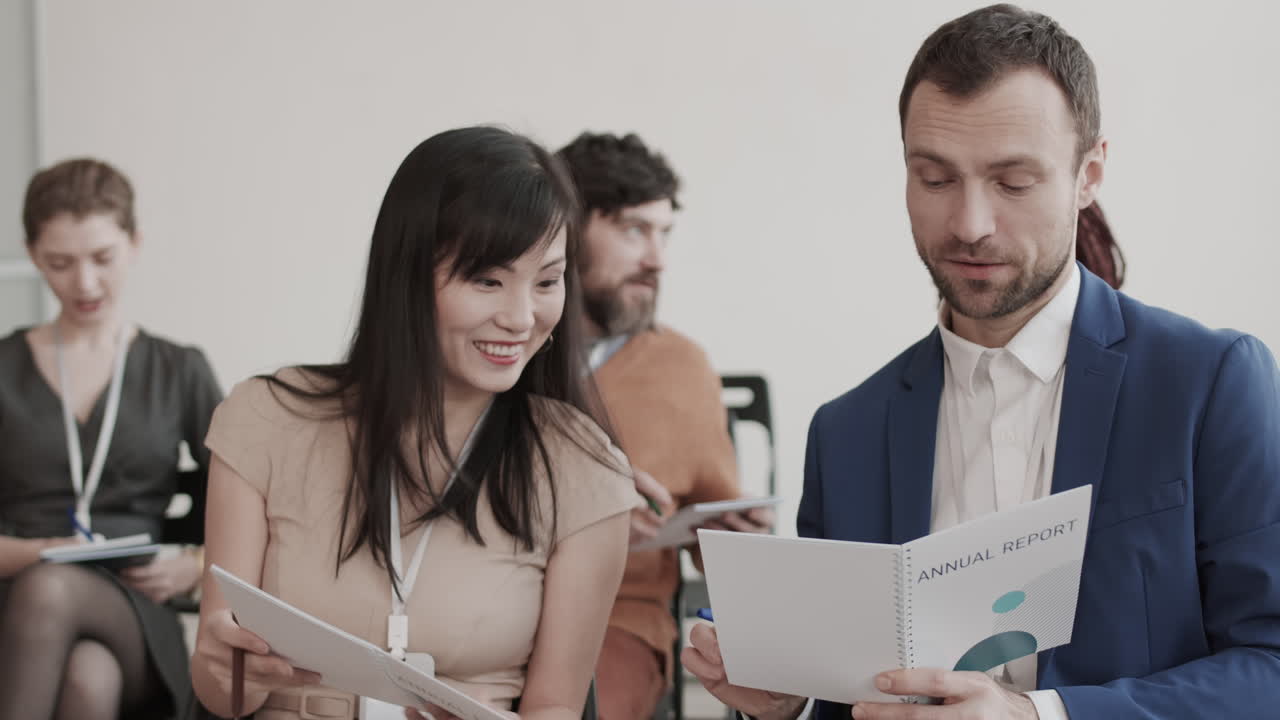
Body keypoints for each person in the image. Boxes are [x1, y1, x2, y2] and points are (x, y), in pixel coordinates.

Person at [682, 4, 1280, 719]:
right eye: (935, 179)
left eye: (1013, 183)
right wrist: (786, 702)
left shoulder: (1210, 384)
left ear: (1089, 174)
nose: (969, 224)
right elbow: (847, 700)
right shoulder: (846, 433)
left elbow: (1268, 666)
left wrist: (1039, 715)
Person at [190, 126, 641, 720]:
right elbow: (219, 687)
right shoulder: (267, 420)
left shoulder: (582, 466)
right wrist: (230, 670)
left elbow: (555, 708)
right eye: (488, 280)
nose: (521, 316)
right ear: (406, 274)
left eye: (548, 281)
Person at [556, 132, 774, 720]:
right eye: (634, 230)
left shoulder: (683, 368)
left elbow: (717, 539)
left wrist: (740, 540)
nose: (657, 258)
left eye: (664, 233)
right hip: (490, 607)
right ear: (568, 231)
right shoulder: (505, 346)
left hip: (614, 622)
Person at [0, 158, 223, 720]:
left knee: (53, 595)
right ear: (33, 257)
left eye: (102, 258)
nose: (85, 284)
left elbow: (248, 499)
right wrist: (43, 554)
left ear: (134, 243)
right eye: (60, 263)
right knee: (88, 677)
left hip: (136, 608)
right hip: (14, 598)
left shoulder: (178, 369)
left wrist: (196, 565)